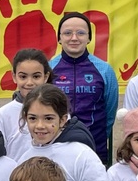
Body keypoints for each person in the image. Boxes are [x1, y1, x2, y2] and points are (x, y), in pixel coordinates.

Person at [50, 12, 118, 166]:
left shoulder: (105, 70)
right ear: (59, 38)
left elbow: (109, 113)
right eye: (67, 33)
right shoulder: (49, 69)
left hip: (95, 150)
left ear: (89, 38)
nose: (74, 38)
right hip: (56, 150)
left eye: (80, 33)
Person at [0, 48, 52, 162]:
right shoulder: (4, 114)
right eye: (23, 77)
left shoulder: (57, 110)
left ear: (45, 77)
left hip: (51, 172)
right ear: (14, 77)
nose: (29, 83)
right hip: (15, 172)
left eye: (36, 76)